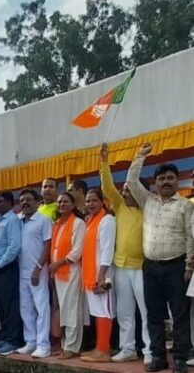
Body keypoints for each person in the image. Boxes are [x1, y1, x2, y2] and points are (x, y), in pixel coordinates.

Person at [127, 143, 194, 373]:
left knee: (180, 315)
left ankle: (181, 359)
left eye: (170, 178)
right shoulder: (147, 201)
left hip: (177, 267)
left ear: (177, 181)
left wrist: (189, 266)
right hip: (151, 268)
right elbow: (132, 180)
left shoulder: (186, 205)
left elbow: (190, 237)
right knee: (153, 314)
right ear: (155, 183)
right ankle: (158, 357)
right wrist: (140, 156)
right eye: (161, 178)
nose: (166, 181)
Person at [99, 143, 152, 364]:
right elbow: (108, 187)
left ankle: (150, 351)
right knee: (125, 311)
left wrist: (140, 156)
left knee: (147, 311)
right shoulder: (120, 207)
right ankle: (127, 348)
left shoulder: (148, 207)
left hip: (141, 267)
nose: (124, 193)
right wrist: (104, 162)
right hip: (121, 267)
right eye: (124, 191)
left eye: (128, 190)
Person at [0, 190, 24, 356]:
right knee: (1, 306)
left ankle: (14, 340)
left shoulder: (12, 220)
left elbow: (14, 247)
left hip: (6, 269)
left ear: (9, 203)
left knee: (10, 306)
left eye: (0, 202)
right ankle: (5, 337)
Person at [79, 188, 117, 363]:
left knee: (104, 311)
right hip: (90, 274)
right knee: (97, 311)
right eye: (87, 201)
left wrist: (101, 276)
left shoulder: (107, 220)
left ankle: (103, 350)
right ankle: (100, 347)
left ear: (102, 202)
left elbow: (107, 250)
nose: (90, 204)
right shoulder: (90, 221)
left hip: (102, 273)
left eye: (94, 200)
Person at [49, 192, 87, 359]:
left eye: (65, 202)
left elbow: (77, 250)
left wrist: (58, 263)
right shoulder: (57, 224)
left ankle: (72, 347)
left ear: (72, 205)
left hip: (71, 271)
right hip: (59, 274)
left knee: (72, 310)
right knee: (64, 310)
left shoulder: (78, 223)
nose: (62, 204)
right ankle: (65, 345)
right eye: (59, 202)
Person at [16, 189, 53, 358]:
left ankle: (43, 345)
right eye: (22, 200)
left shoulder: (44, 220)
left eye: (29, 200)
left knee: (41, 309)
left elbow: (48, 245)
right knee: (26, 309)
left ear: (37, 201)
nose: (25, 202)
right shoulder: (18, 220)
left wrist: (38, 268)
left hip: (38, 271)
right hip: (21, 272)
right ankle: (30, 341)